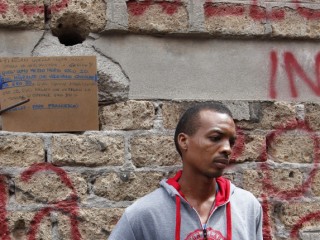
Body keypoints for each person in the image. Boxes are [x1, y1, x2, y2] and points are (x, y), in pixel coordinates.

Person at [109, 102, 263, 240]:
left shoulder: (247, 207)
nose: (227, 149)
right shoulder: (144, 214)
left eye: (231, 142)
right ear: (184, 141)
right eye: (215, 138)